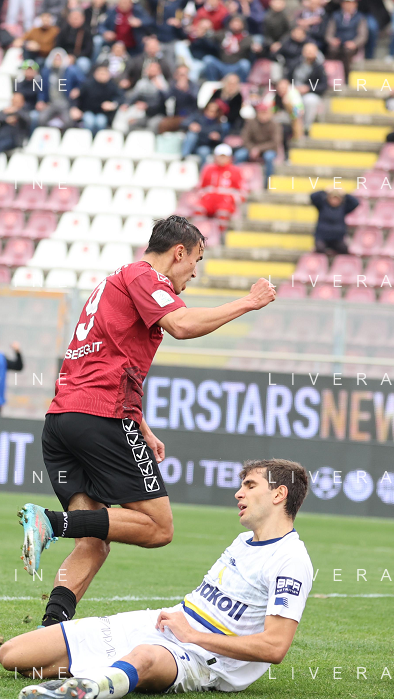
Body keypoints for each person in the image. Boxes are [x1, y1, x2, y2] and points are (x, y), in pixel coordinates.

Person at [18, 216, 277, 627]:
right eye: (196, 260)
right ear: (179, 252)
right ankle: (50, 521)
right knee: (158, 527)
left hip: (62, 420)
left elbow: (109, 358)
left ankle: (51, 629)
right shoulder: (144, 275)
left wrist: (139, 424)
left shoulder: (114, 282)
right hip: (101, 417)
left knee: (94, 538)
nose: (195, 271)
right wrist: (249, 302)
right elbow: (182, 326)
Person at [6, 460, 313, 699]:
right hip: (169, 624)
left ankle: (88, 689)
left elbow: (274, 647)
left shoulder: (291, 560)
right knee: (14, 655)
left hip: (207, 660)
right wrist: (183, 628)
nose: (238, 494)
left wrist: (193, 636)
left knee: (145, 657)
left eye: (250, 485)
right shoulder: (243, 541)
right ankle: (106, 672)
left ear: (278, 494)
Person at [236, 102, 284, 183]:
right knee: (239, 155)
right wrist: (252, 149)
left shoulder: (275, 125)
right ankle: (236, 180)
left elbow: (275, 142)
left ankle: (268, 183)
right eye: (261, 113)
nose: (263, 115)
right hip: (251, 148)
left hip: (268, 149)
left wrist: (258, 149)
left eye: (265, 113)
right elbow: (245, 138)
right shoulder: (251, 123)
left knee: (269, 157)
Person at [197, 143, 244, 223]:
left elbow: (242, 191)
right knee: (198, 209)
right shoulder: (208, 169)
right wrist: (204, 195)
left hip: (226, 202)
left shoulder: (236, 171)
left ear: (229, 157)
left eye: (224, 156)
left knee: (223, 212)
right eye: (220, 156)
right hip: (208, 199)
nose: (222, 159)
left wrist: (231, 198)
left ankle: (222, 230)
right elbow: (200, 187)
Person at [71, 61, 122, 135]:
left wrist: (112, 104)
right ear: (95, 74)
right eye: (101, 73)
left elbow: (120, 98)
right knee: (89, 121)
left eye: (105, 74)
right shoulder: (87, 84)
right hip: (87, 111)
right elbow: (76, 97)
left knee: (101, 122)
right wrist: (74, 108)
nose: (103, 76)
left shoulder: (112, 86)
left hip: (103, 113)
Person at [309, 189, 360, 256]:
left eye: (337, 198)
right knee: (320, 249)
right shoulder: (322, 205)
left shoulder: (343, 208)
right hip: (322, 238)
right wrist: (325, 191)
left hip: (337, 239)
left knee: (344, 249)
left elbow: (356, 203)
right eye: (333, 198)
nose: (334, 201)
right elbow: (313, 196)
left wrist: (345, 194)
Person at [324, 0, 367, 65]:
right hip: (338, 43)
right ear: (342, 4)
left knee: (347, 52)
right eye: (346, 3)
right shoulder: (335, 16)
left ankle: (347, 70)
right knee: (332, 50)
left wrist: (354, 43)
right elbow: (329, 32)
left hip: (351, 44)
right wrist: (332, 40)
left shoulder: (360, 17)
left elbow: (362, 35)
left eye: (351, 3)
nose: (348, 5)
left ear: (355, 4)